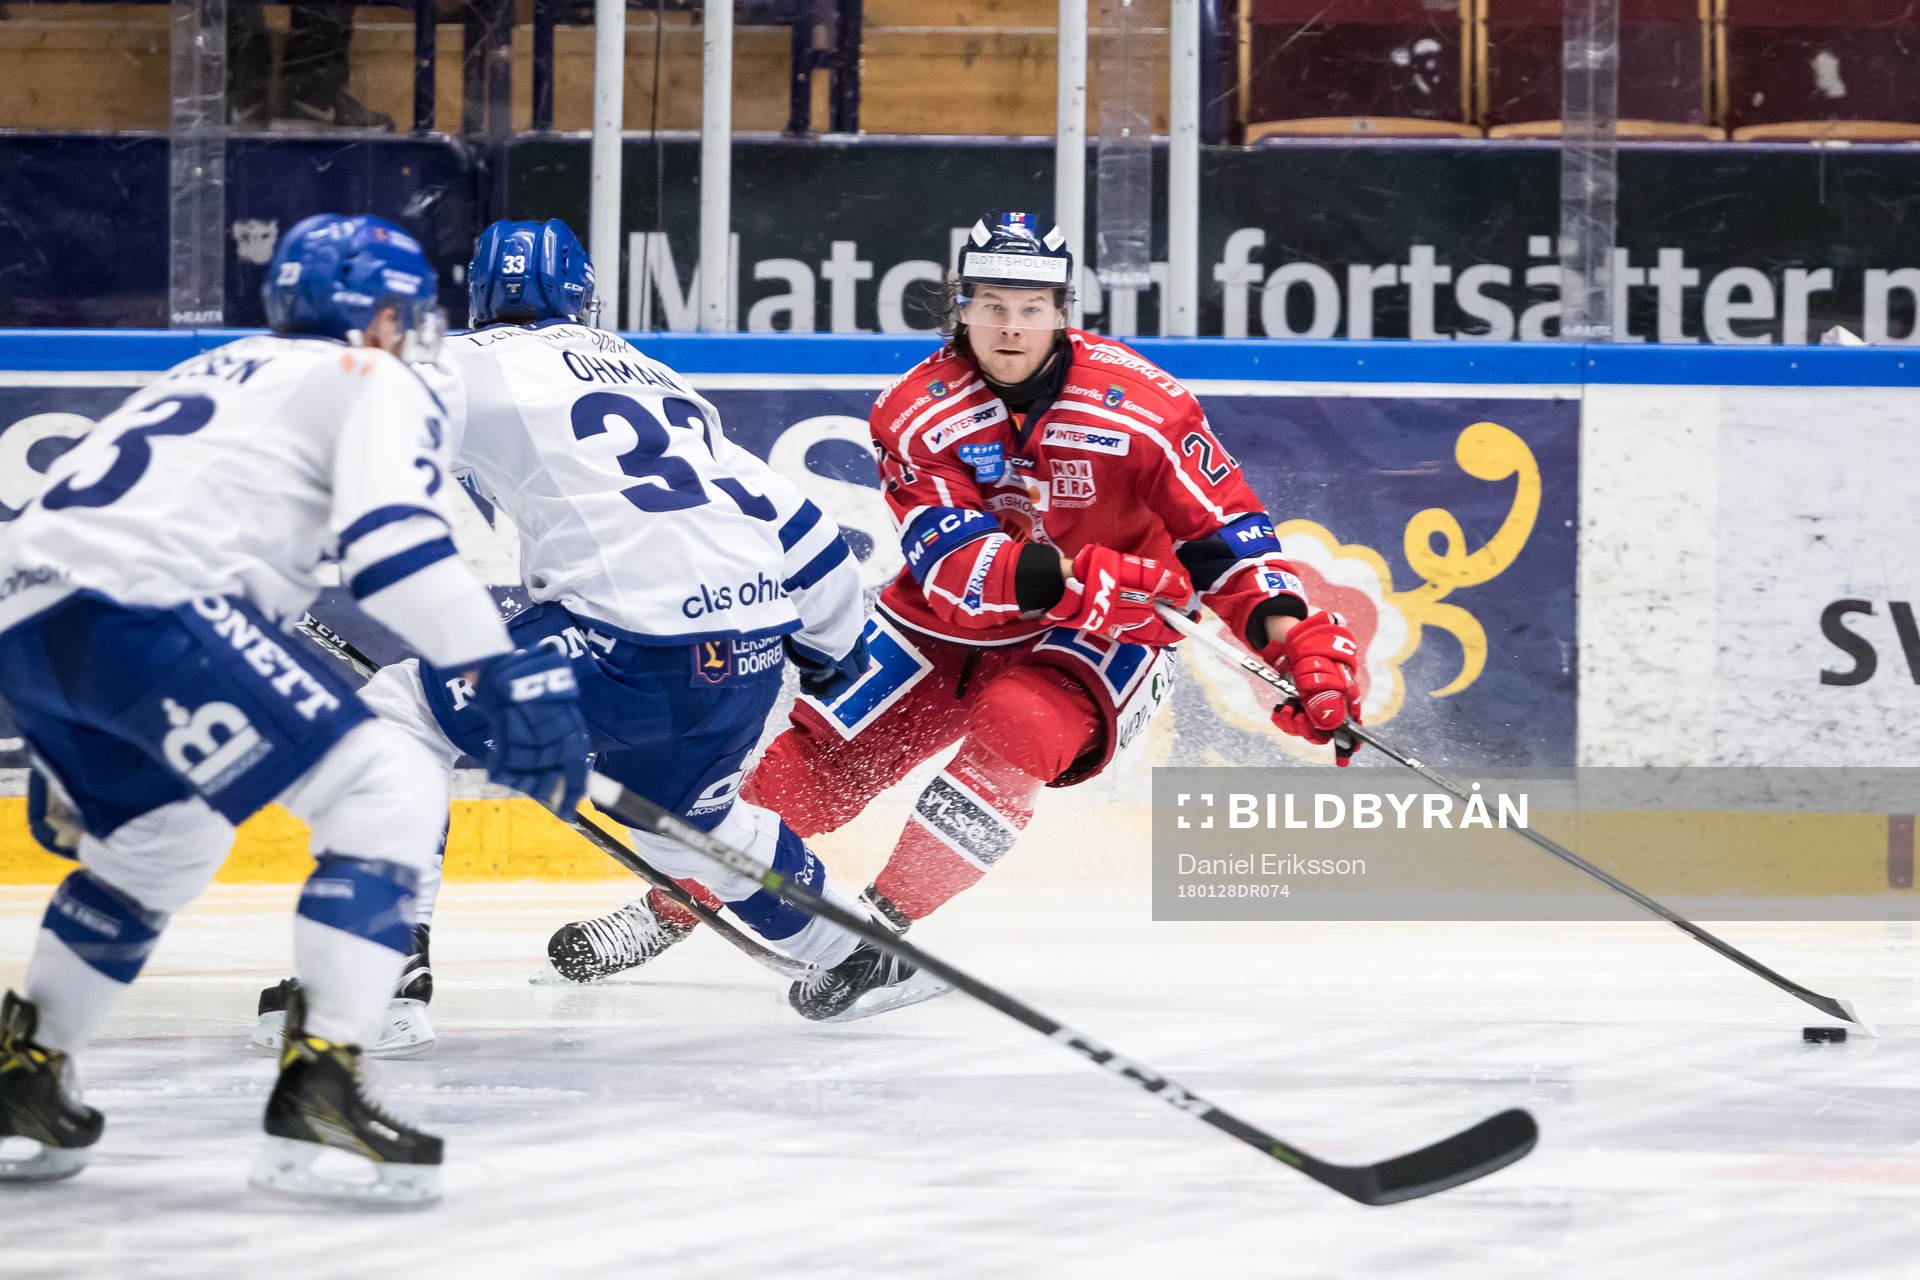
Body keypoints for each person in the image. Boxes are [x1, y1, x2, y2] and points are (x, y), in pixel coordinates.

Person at [552, 210, 1365, 974]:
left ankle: (878, 931)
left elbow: (1227, 534)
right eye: (993, 304)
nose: (1012, 325)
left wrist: (1293, 640)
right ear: (962, 306)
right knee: (804, 773)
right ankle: (670, 909)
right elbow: (956, 569)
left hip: (1109, 633)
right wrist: (1085, 579)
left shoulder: (1146, 406)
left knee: (1021, 726)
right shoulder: (916, 411)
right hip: (954, 621)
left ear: (1062, 312)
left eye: (1033, 306)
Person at [0, 214, 588, 1206]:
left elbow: (71, 530)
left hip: (28, 623)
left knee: (160, 843)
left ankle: (26, 1076)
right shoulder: (376, 377)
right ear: (387, 315)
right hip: (150, 607)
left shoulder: (219, 368)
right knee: (390, 775)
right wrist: (500, 670)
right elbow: (390, 541)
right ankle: (324, 1080)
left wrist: (70, 748)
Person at [250, 217, 935, 1042]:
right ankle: (856, 954)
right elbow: (809, 537)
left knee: (403, 713)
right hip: (745, 650)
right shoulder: (661, 381)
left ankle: (377, 971)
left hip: (626, 647)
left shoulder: (465, 361)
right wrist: (831, 653)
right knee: (690, 819)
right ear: (584, 298)